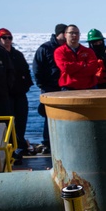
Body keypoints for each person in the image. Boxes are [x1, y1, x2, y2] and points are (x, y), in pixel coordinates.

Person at [0, 28, 33, 152]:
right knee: (8, 121)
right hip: (5, 94)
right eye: (4, 38)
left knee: (22, 119)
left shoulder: (17, 54)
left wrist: (27, 84)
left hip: (20, 92)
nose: (7, 40)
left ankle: (20, 143)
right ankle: (11, 146)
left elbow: (26, 70)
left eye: (9, 38)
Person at [32, 23, 66, 154]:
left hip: (64, 87)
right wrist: (42, 85)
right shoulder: (45, 48)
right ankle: (47, 142)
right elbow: (37, 68)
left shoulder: (68, 48)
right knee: (49, 115)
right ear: (59, 33)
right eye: (65, 32)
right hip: (50, 88)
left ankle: (62, 141)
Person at [54, 25, 100, 90]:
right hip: (69, 88)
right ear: (65, 35)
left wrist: (74, 70)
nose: (74, 35)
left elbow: (93, 69)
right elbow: (65, 68)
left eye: (77, 33)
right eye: (71, 33)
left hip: (89, 87)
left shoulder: (88, 51)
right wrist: (83, 64)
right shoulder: (60, 51)